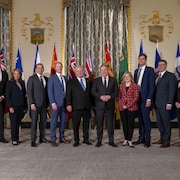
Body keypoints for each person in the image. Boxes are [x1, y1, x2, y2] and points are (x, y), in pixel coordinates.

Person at [91, 64, 119, 147]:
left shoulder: (113, 80)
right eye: (102, 70)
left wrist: (110, 96)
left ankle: (111, 141)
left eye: (105, 70)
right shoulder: (96, 80)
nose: (103, 71)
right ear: (100, 71)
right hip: (99, 105)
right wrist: (100, 97)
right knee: (99, 124)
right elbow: (93, 91)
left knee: (110, 124)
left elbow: (116, 91)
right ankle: (99, 141)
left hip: (110, 105)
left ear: (108, 71)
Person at [66, 66, 92, 147]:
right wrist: (68, 104)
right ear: (75, 72)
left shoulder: (88, 81)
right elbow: (68, 95)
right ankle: (76, 140)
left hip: (86, 107)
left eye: (81, 71)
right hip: (75, 107)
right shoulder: (71, 82)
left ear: (83, 71)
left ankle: (86, 139)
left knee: (86, 124)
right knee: (76, 125)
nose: (79, 72)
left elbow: (90, 95)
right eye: (77, 71)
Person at [133, 53, 155, 147]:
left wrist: (149, 98)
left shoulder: (150, 70)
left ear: (145, 60)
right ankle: (141, 138)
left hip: (146, 99)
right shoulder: (136, 71)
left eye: (143, 59)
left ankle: (147, 139)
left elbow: (152, 86)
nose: (141, 60)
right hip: (138, 99)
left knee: (146, 119)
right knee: (140, 119)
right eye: (139, 59)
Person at [154, 60, 176, 148]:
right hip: (157, 103)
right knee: (159, 123)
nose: (161, 66)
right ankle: (162, 138)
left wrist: (170, 103)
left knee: (166, 123)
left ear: (166, 66)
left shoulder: (170, 76)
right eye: (159, 65)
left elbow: (172, 90)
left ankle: (167, 141)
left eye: (163, 65)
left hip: (165, 104)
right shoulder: (156, 76)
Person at [27, 63, 49, 147]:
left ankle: (42, 138)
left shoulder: (46, 79)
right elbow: (30, 92)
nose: (40, 69)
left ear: (43, 69)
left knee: (43, 122)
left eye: (42, 68)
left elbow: (46, 93)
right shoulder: (32, 78)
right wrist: (32, 103)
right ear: (36, 69)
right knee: (34, 123)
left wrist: (47, 104)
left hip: (43, 105)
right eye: (38, 68)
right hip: (35, 105)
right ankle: (33, 140)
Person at [48, 62, 69, 147]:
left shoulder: (65, 78)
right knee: (54, 122)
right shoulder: (52, 78)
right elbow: (50, 92)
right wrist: (52, 102)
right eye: (57, 67)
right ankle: (53, 139)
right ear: (55, 68)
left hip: (64, 104)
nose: (59, 68)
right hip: (55, 104)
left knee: (63, 121)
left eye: (61, 66)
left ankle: (62, 137)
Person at [6, 69, 27, 145]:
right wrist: (10, 106)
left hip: (21, 106)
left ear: (20, 75)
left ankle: (17, 138)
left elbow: (24, 96)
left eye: (18, 74)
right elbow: (8, 97)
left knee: (18, 123)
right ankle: (14, 139)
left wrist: (25, 107)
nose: (16, 75)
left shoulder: (22, 83)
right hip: (13, 106)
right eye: (15, 74)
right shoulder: (10, 83)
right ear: (13, 75)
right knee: (14, 123)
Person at [118, 72, 139, 147]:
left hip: (131, 108)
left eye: (128, 76)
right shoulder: (121, 86)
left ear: (131, 77)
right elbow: (118, 97)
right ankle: (125, 139)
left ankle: (130, 140)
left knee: (130, 124)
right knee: (124, 124)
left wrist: (127, 105)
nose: (126, 78)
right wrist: (122, 105)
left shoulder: (135, 86)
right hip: (122, 108)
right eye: (125, 76)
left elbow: (136, 97)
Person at [0, 68, 9, 143]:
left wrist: (3, 96)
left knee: (1, 120)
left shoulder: (5, 74)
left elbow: (7, 87)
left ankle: (1, 137)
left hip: (1, 100)